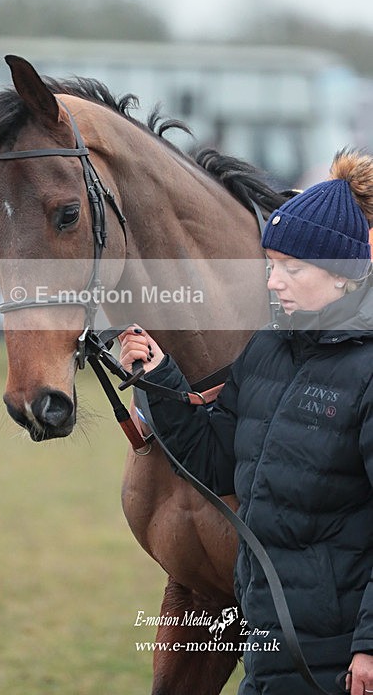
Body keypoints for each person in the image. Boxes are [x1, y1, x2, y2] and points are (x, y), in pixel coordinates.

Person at [119, 149, 373, 695]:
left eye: (292, 268)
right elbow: (215, 462)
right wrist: (161, 378)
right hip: (266, 640)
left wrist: (369, 645)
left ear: (343, 275)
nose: (274, 282)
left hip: (339, 658)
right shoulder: (264, 351)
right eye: (270, 265)